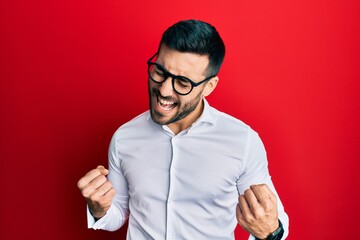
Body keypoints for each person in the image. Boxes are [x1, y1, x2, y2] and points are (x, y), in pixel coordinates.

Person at [77, 19, 289, 240]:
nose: (165, 90)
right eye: (160, 71)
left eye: (183, 82)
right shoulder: (124, 138)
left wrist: (270, 232)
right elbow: (118, 213)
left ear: (209, 86)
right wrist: (98, 208)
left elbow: (273, 221)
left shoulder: (242, 142)